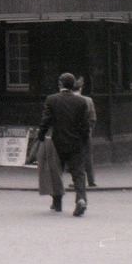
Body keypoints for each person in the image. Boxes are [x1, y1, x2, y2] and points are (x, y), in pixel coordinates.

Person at [37, 72, 92, 216]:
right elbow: (85, 125)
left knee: (55, 172)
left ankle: (57, 202)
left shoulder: (52, 100)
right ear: (73, 85)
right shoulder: (81, 102)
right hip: (76, 143)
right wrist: (84, 141)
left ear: (60, 84)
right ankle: (81, 199)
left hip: (57, 143)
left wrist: (41, 136)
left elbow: (46, 120)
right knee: (78, 173)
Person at [74, 75, 97, 188]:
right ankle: (91, 181)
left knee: (75, 158)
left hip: (72, 133)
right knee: (88, 157)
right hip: (86, 132)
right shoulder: (89, 100)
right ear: (81, 88)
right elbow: (93, 118)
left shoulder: (68, 100)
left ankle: (78, 181)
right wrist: (89, 130)